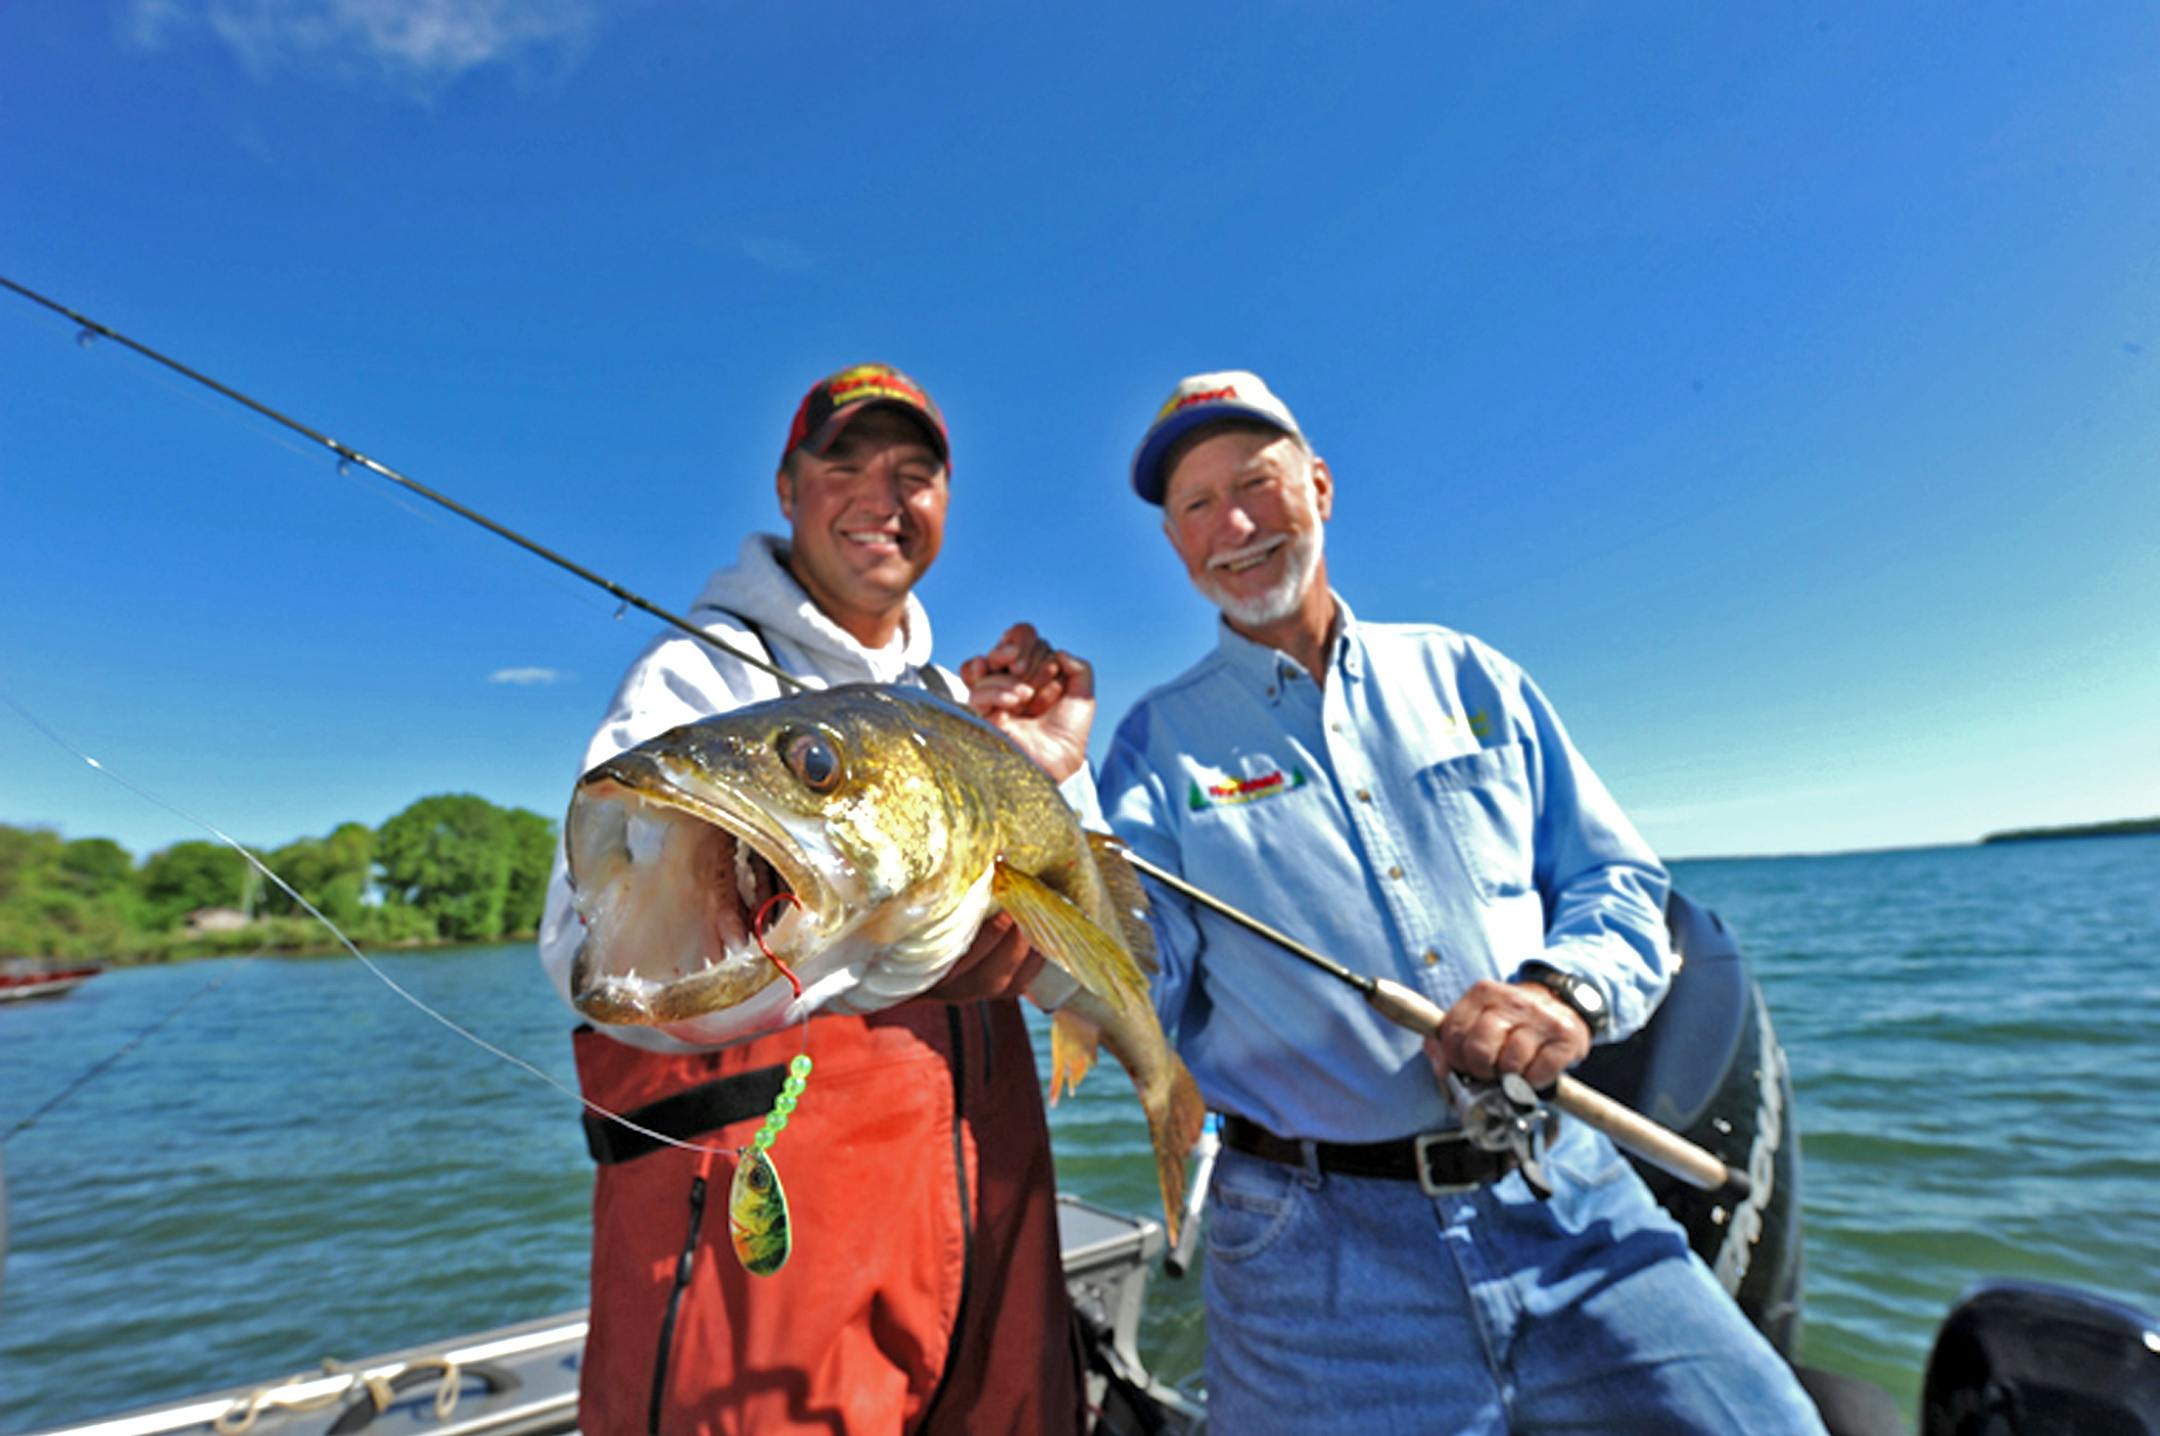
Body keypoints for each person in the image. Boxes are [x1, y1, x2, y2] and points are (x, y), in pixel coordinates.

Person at [1098, 370, 1829, 1435]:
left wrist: (1560, 991)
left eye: (1256, 483)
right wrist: (1044, 803)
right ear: (1173, 544)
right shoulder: (1144, 746)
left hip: (1568, 1194)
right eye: (1197, 505)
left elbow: (1617, 879)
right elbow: (1133, 984)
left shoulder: (1472, 672)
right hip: (1307, 1257)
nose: (1236, 524)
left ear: (1321, 485)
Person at [537, 363, 1094, 1435]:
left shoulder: (953, 710)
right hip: (776, 1281)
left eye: (915, 471)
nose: (882, 495)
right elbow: (589, 946)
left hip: (989, 1229)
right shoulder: (692, 678)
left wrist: (1043, 765)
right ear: (788, 487)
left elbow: (1081, 952)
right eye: (845, 462)